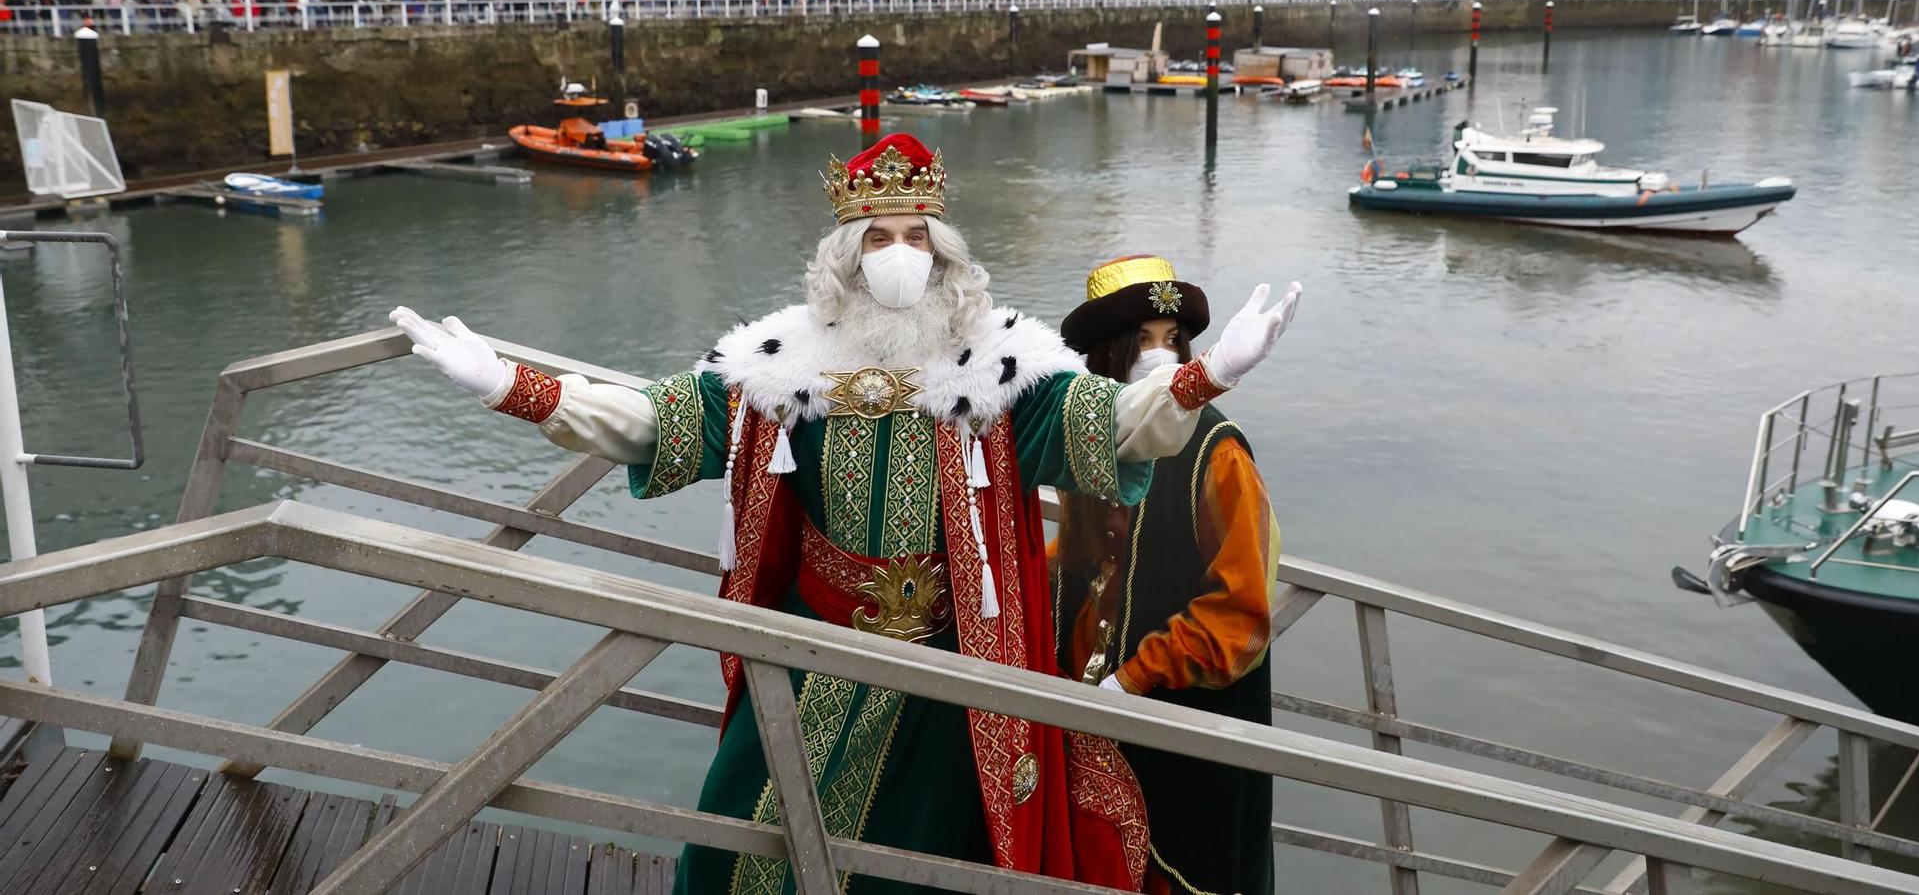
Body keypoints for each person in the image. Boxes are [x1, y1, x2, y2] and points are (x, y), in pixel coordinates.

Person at [392, 135, 1301, 895]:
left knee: (939, 852)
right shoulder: (781, 365)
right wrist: (514, 387)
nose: (899, 255)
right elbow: (650, 420)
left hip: (955, 663)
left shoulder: (1000, 368)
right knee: (748, 833)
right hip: (815, 645)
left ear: (942, 252)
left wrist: (1208, 373)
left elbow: (1117, 425)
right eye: (878, 237)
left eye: (915, 235)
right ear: (846, 254)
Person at [1052, 256, 1280, 895]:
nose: (1159, 358)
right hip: (1085, 717)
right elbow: (1076, 560)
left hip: (1178, 722)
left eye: (1172, 341)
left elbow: (1240, 612)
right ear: (1106, 357)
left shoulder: (1219, 452)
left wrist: (1133, 679)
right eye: (1141, 342)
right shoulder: (1093, 440)